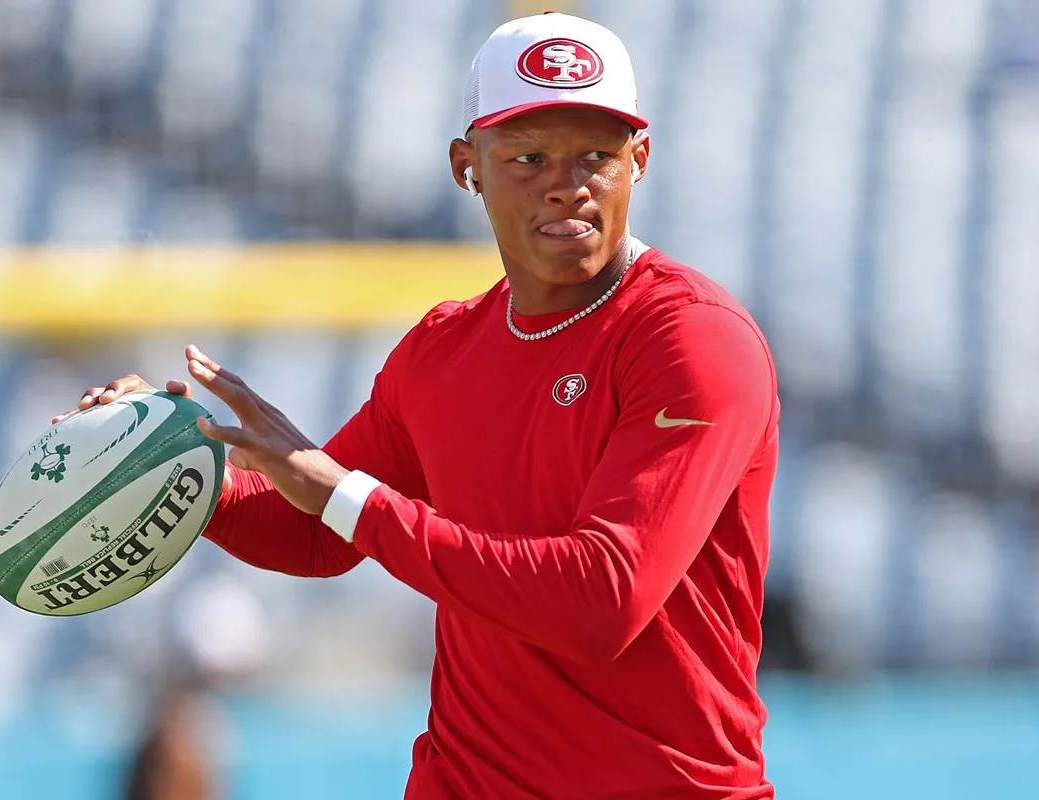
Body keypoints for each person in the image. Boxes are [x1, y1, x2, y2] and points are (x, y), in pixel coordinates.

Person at [60, 13, 780, 799]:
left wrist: (344, 495)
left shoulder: (692, 340)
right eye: (527, 156)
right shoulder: (443, 351)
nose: (565, 182)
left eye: (597, 157)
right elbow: (315, 532)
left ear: (640, 161)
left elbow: (602, 601)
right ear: (466, 167)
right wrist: (177, 467)